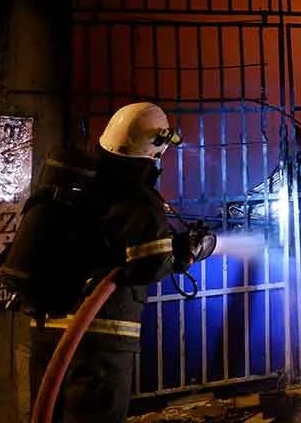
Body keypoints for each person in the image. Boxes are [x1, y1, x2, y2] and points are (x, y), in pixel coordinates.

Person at [17, 102, 214, 423]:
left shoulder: (79, 185)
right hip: (98, 342)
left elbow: (108, 249)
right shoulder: (135, 196)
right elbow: (151, 264)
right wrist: (188, 252)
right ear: (156, 148)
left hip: (47, 335)